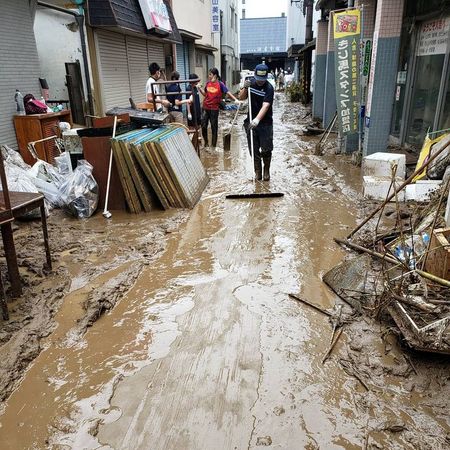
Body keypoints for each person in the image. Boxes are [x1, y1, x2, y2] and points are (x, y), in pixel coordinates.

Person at [239, 63, 274, 181]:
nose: (260, 82)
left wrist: (257, 120)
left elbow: (266, 106)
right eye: (258, 79)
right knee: (253, 149)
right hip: (250, 122)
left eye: (262, 80)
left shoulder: (269, 88)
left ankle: (266, 170)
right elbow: (241, 98)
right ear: (255, 76)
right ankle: (257, 172)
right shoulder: (251, 84)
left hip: (265, 124)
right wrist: (245, 87)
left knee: (266, 149)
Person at [201, 67, 239, 149]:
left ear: (215, 75)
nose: (209, 76)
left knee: (214, 127)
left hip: (214, 109)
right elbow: (205, 94)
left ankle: (213, 146)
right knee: (203, 126)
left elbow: (228, 92)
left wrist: (235, 99)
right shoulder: (208, 84)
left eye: (210, 74)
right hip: (205, 107)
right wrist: (199, 88)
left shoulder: (220, 84)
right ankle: (206, 143)